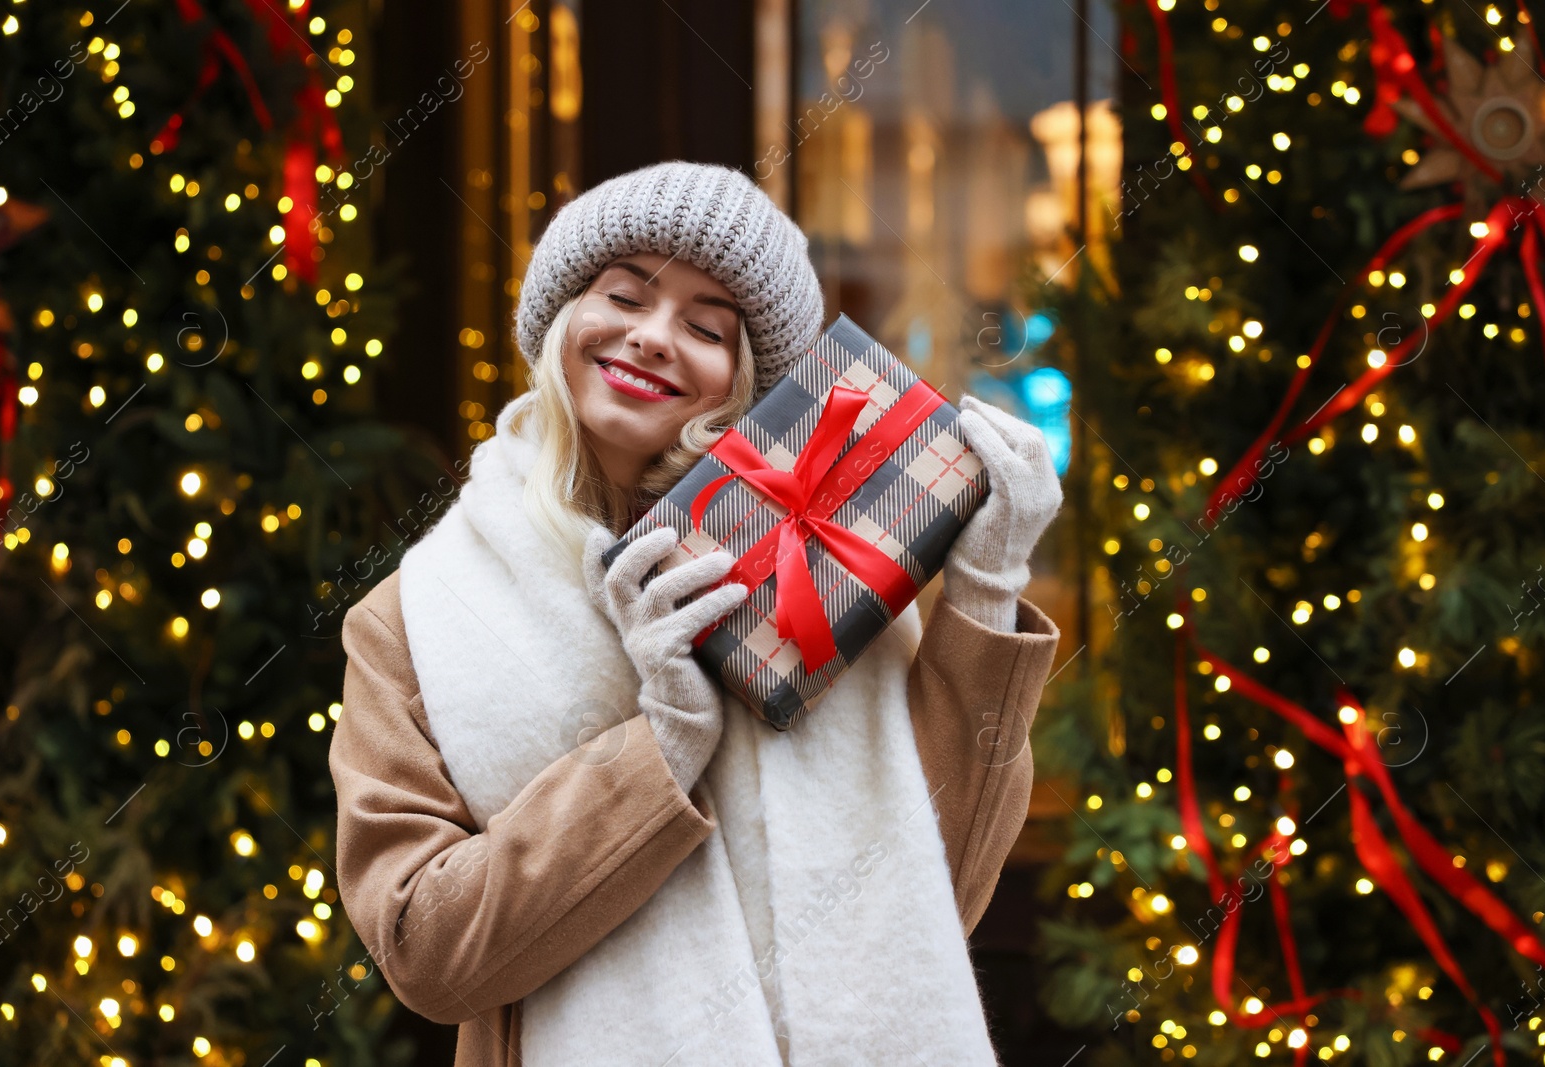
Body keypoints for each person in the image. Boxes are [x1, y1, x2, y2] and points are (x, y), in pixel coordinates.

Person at [330, 161, 1064, 1066]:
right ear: (563, 316)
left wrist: (987, 587)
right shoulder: (415, 617)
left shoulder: (828, 583)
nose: (651, 337)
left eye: (705, 325)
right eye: (623, 296)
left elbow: (937, 889)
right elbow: (425, 951)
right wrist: (660, 747)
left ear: (748, 378)